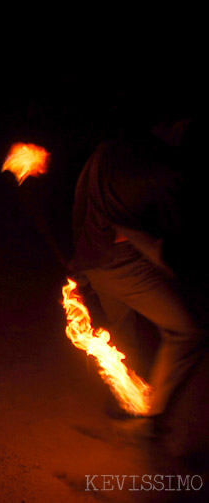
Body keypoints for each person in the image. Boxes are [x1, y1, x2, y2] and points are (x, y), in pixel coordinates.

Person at [70, 117, 206, 441]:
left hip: (94, 259)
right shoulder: (163, 170)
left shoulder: (107, 151)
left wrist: (79, 262)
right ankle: (153, 419)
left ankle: (126, 405)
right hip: (120, 264)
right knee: (187, 332)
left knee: (121, 330)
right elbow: (168, 239)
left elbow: (79, 204)